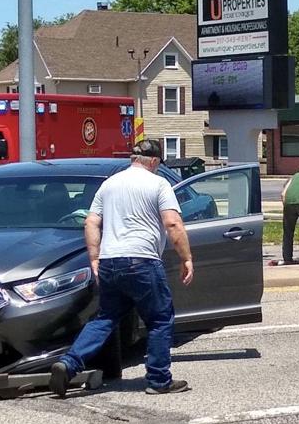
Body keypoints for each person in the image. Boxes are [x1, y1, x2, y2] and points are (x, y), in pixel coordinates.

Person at [49, 139, 193, 397]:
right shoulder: (158, 184)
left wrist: (95, 257)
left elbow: (91, 222)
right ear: (155, 161)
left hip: (109, 261)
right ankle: (159, 379)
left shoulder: (109, 184)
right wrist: (186, 259)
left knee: (105, 318)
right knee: (160, 319)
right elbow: (172, 224)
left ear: (133, 159)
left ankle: (69, 364)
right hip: (142, 261)